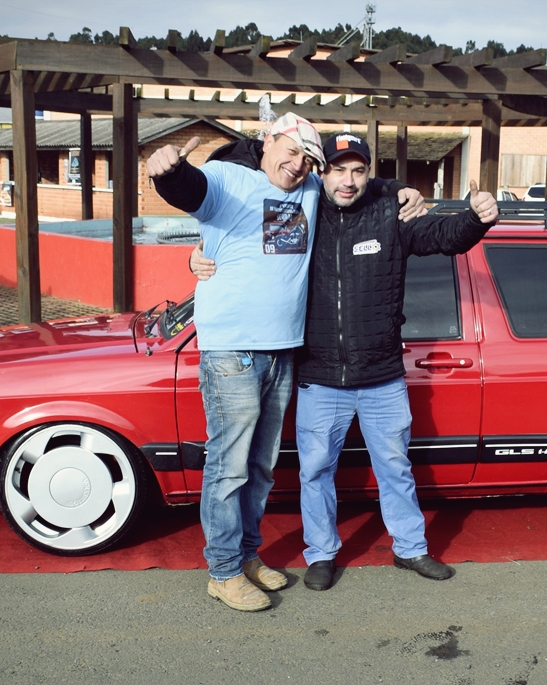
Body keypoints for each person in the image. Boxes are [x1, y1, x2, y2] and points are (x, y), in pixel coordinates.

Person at [193, 132, 499, 591]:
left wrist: (476, 218)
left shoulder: (390, 213)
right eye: (338, 170)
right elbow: (253, 254)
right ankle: (321, 554)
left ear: (369, 174)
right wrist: (200, 255)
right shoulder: (299, 214)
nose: (348, 180)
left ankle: (410, 548)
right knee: (316, 472)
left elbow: (443, 237)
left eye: (358, 170)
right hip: (319, 377)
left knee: (395, 467)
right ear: (322, 173)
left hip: (381, 376)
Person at [146, 115, 423, 612]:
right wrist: (168, 172)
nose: (297, 165)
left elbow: (356, 179)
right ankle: (223, 572)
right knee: (229, 468)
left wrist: (400, 188)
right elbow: (191, 190)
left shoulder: (311, 190)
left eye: (307, 160)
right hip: (232, 350)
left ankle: (247, 556)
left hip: (282, 350)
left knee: (260, 467)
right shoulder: (229, 178)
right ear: (268, 141)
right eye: (290, 151)